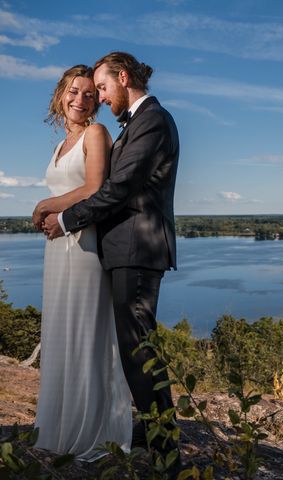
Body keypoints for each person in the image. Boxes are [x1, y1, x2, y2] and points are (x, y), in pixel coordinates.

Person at [40, 52, 181, 472]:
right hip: (124, 250)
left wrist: (65, 218)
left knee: (138, 352)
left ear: (122, 78)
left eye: (100, 88)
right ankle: (155, 431)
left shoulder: (153, 120)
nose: (98, 97)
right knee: (135, 350)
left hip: (138, 249)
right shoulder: (135, 124)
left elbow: (115, 189)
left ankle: (165, 450)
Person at [32, 65, 132, 461]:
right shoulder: (61, 144)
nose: (81, 100)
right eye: (74, 92)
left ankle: (92, 431)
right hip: (58, 246)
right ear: (61, 94)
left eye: (91, 94)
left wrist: (44, 206)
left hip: (84, 244)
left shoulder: (96, 133)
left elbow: (95, 188)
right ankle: (59, 428)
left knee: (86, 333)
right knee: (60, 330)